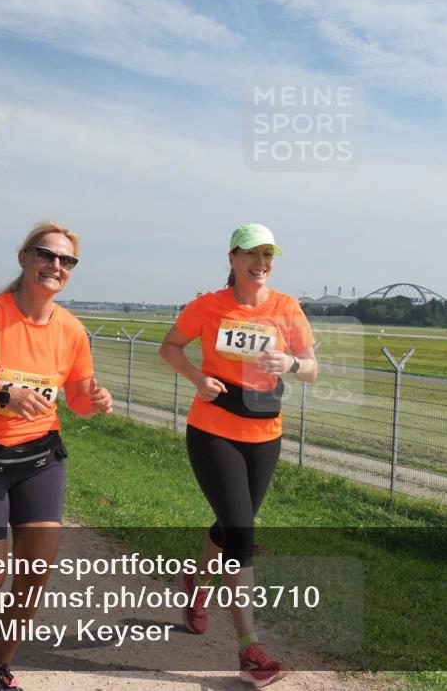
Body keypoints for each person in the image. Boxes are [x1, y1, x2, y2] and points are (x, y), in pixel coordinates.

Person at [0, 221, 112, 691]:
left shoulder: (71, 329)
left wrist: (97, 400)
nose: (55, 266)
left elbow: (80, 400)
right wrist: (1, 394)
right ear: (24, 258)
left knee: (34, 574)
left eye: (65, 260)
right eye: (46, 255)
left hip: (40, 461)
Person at [159, 223, 317, 688]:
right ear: (231, 258)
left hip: (266, 432)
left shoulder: (287, 308)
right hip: (213, 431)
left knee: (231, 524)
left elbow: (313, 369)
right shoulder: (208, 306)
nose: (261, 263)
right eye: (252, 253)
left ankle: (196, 586)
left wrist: (289, 363)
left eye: (268, 255)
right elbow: (169, 347)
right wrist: (196, 378)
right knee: (241, 531)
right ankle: (250, 649)